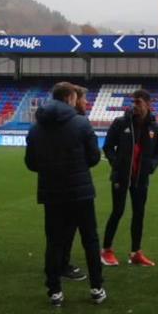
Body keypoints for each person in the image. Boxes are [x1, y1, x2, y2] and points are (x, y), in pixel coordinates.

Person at [25, 82, 106, 306]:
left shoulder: (36, 127)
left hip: (52, 192)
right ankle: (97, 288)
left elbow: (31, 163)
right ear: (70, 97)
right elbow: (94, 158)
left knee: (54, 242)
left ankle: (54, 292)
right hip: (80, 192)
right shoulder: (81, 124)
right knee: (90, 239)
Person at [100, 89, 158, 267]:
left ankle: (136, 253)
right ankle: (106, 250)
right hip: (121, 176)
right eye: (133, 102)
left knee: (139, 214)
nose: (134, 106)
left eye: (138, 102)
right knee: (117, 212)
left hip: (141, 178)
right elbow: (107, 147)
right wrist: (117, 164)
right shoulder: (121, 123)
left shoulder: (155, 128)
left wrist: (150, 167)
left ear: (148, 104)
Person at [59, 85, 91, 282]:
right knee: (72, 228)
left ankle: (55, 265)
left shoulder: (46, 122)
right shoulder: (79, 124)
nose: (86, 102)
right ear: (73, 100)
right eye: (84, 99)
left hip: (51, 185)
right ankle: (63, 265)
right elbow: (93, 156)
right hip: (74, 185)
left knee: (55, 228)